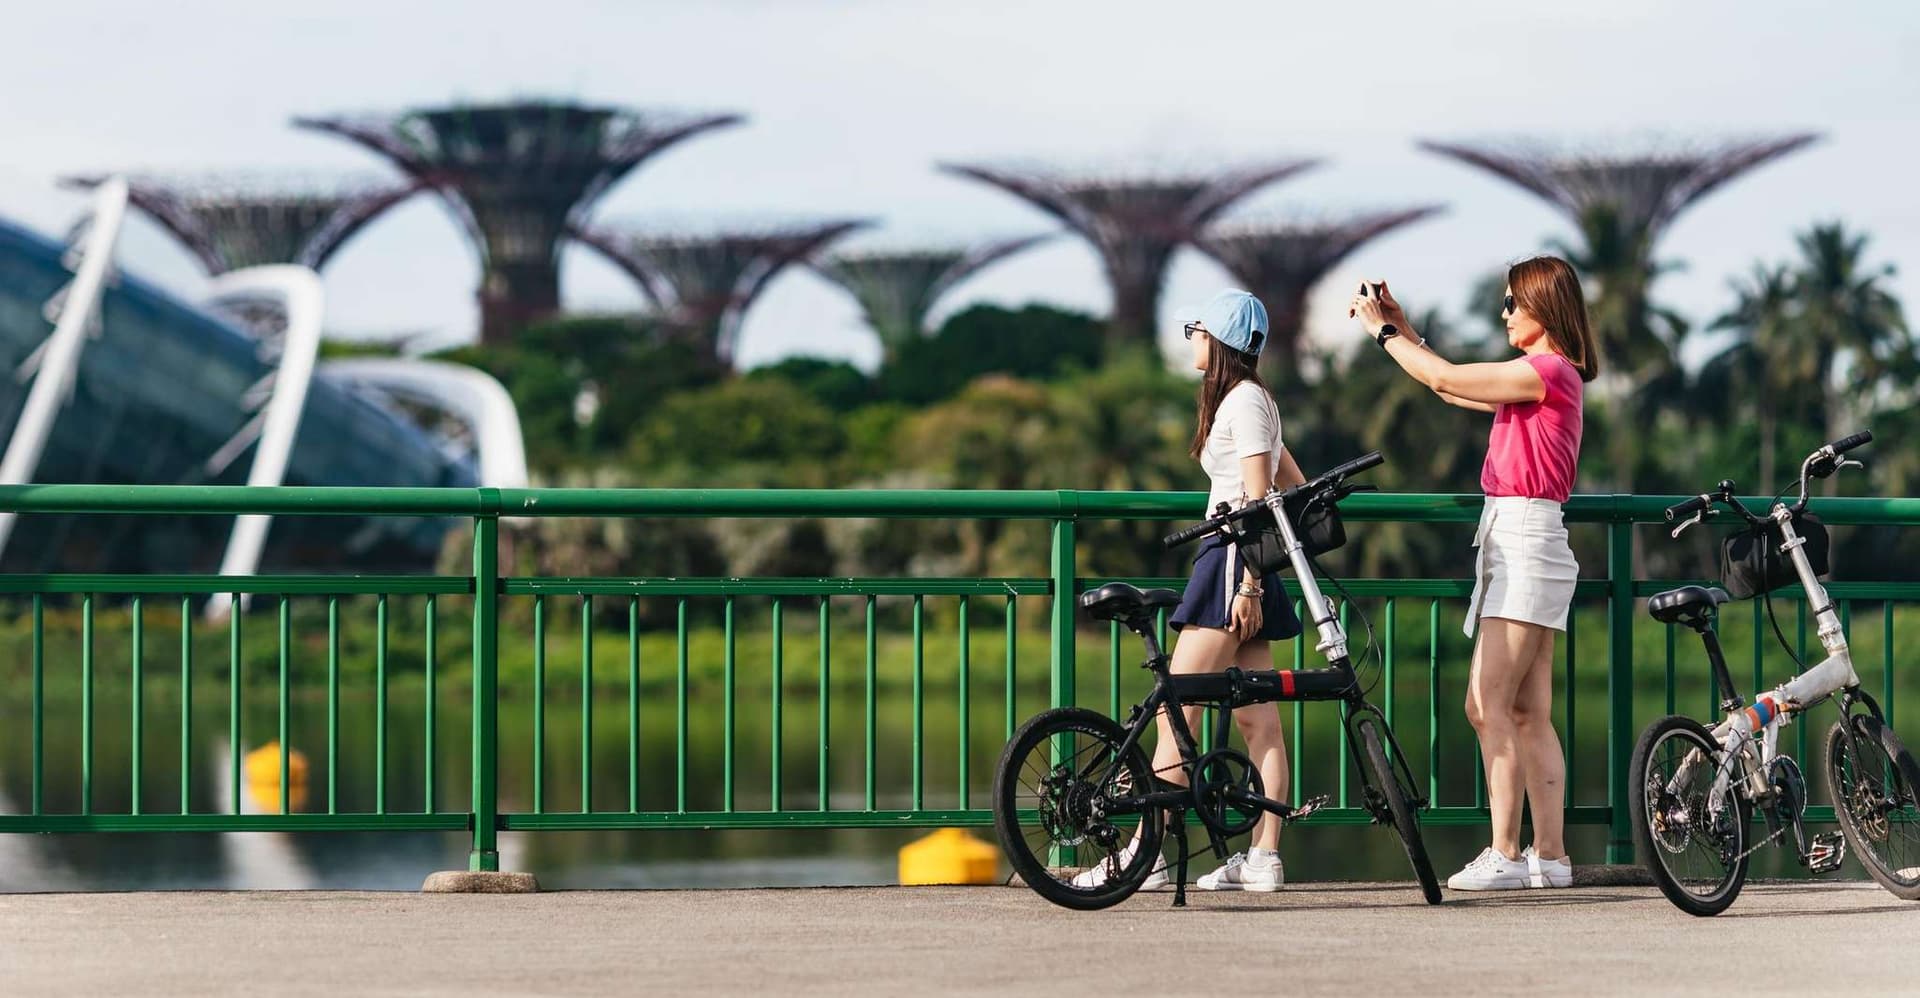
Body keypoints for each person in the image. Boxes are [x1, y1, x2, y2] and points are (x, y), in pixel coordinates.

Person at [1348, 257, 1597, 890]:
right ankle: (1552, 858)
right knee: (1525, 712)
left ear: (1544, 307)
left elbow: (1447, 377)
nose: (1506, 313)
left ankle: (1507, 854)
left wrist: (1382, 333)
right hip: (1531, 541)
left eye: (1514, 302)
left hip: (1521, 542)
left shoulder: (1543, 371)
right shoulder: (1549, 375)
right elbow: (1448, 385)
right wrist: (1404, 331)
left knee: (1485, 705)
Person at [1074, 288, 1306, 893]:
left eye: (1196, 331)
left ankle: (1144, 856)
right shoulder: (1252, 401)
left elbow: (1260, 500)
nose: (1192, 341)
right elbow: (1295, 486)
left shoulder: (1245, 404)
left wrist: (1251, 583)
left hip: (1234, 564)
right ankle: (1263, 857)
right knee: (1258, 726)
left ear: (1219, 339)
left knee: (1181, 712)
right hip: (1239, 566)